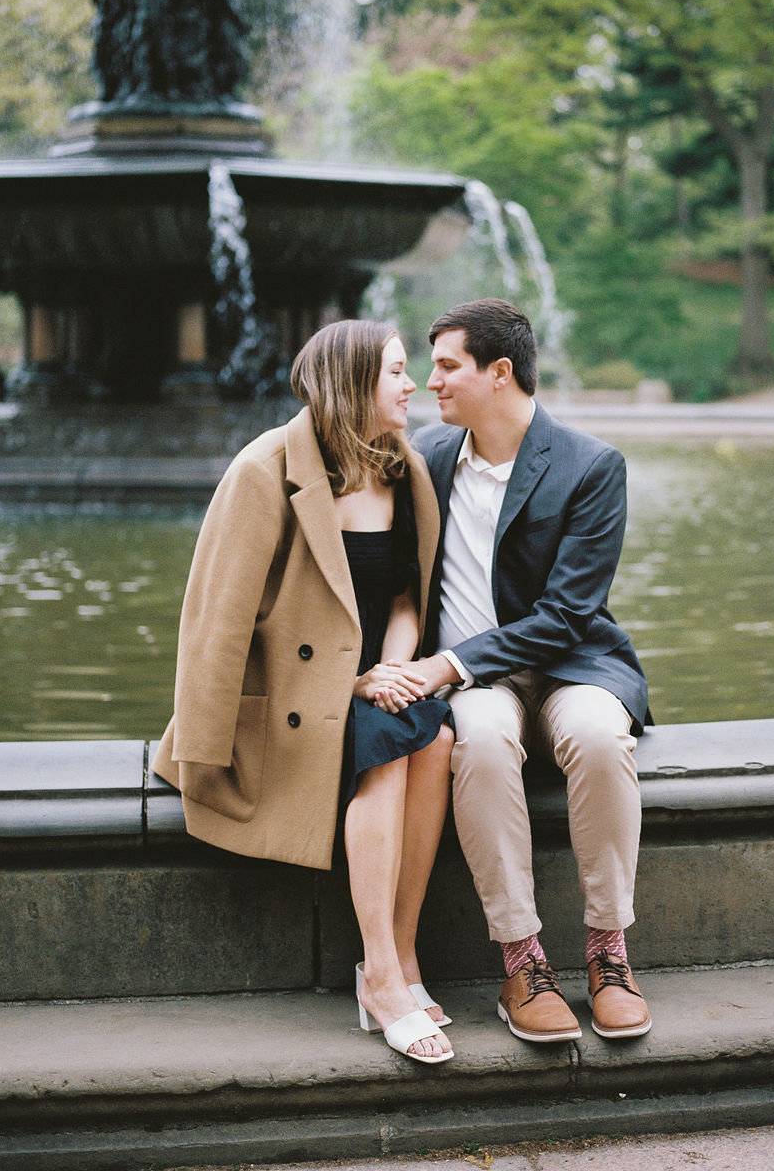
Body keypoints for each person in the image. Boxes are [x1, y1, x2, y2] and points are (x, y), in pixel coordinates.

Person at [152, 321, 455, 1064]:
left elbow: (411, 595)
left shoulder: (404, 469)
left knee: (438, 738)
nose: (411, 385)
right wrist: (203, 746)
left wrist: (396, 675)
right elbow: (216, 618)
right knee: (387, 756)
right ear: (353, 383)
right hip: (295, 695)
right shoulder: (265, 469)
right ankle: (380, 979)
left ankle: (405, 956)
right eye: (395, 372)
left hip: (381, 675)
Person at [398, 298, 652, 1044]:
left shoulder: (591, 465)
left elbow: (570, 615)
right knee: (475, 740)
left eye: (447, 365)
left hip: (574, 662)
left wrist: (447, 663)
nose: (431, 381)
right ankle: (523, 961)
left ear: (499, 372)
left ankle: (608, 953)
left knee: (602, 740)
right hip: (482, 686)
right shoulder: (429, 458)